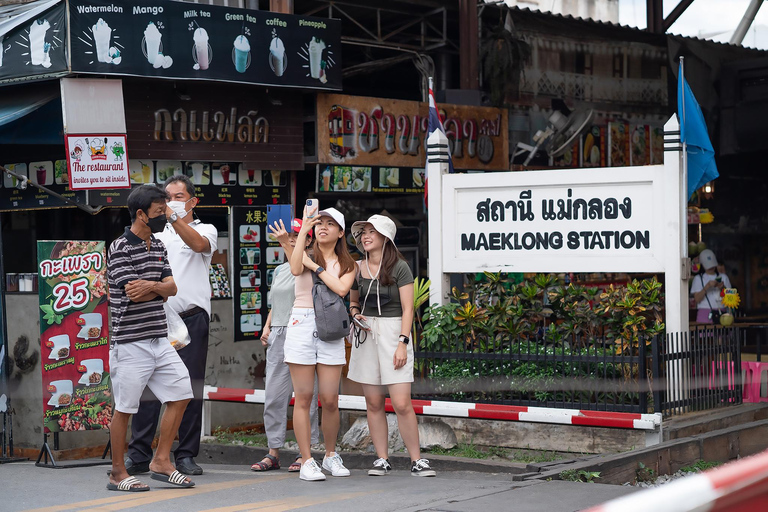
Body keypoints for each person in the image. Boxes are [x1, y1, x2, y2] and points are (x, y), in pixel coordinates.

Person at [126, 175, 218, 476]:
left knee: (188, 388)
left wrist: (175, 217)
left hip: (191, 319)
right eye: (167, 197)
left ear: (193, 201)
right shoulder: (155, 234)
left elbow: (199, 245)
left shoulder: (205, 229)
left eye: (178, 196)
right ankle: (139, 453)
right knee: (147, 388)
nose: (171, 201)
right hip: (155, 320)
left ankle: (185, 455)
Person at [106, 184, 194, 492]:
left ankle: (161, 461)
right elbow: (133, 292)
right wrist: (159, 286)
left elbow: (172, 288)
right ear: (141, 214)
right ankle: (118, 473)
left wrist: (154, 286)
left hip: (159, 339)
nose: (164, 218)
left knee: (182, 392)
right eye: (159, 213)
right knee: (125, 408)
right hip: (130, 343)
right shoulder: (119, 248)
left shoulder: (157, 245)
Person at [348, 215, 436, 477]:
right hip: (366, 333)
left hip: (393, 330)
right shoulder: (357, 267)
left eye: (372, 232)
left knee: (401, 402)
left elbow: (409, 308)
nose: (365, 236)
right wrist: (354, 314)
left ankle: (416, 459)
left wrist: (402, 342)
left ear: (385, 237)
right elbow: (353, 302)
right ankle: (382, 458)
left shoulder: (400, 267)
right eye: (363, 232)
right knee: (373, 402)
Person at [287, 206, 356, 481]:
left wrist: (315, 266)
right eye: (319, 223)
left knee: (329, 399)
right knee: (303, 398)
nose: (323, 227)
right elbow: (294, 268)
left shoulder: (349, 263)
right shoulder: (302, 252)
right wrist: (304, 228)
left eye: (330, 224)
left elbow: (341, 289)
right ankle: (306, 460)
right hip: (301, 323)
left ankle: (330, 455)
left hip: (330, 327)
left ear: (340, 232)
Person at [251, 218, 320, 473]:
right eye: (288, 235)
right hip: (279, 332)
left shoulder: (312, 264)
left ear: (309, 239)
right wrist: (268, 325)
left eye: (298, 235)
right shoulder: (279, 270)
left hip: (301, 331)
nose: (291, 238)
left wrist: (287, 246)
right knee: (274, 395)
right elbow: (275, 302)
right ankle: (273, 451)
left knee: (305, 396)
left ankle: (307, 453)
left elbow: (298, 267)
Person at [690, 249, 731, 324]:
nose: (711, 267)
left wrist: (722, 288)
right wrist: (707, 286)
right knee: (705, 335)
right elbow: (697, 299)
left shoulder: (724, 277)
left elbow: (730, 299)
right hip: (704, 312)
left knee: (721, 335)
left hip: (722, 312)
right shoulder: (698, 279)